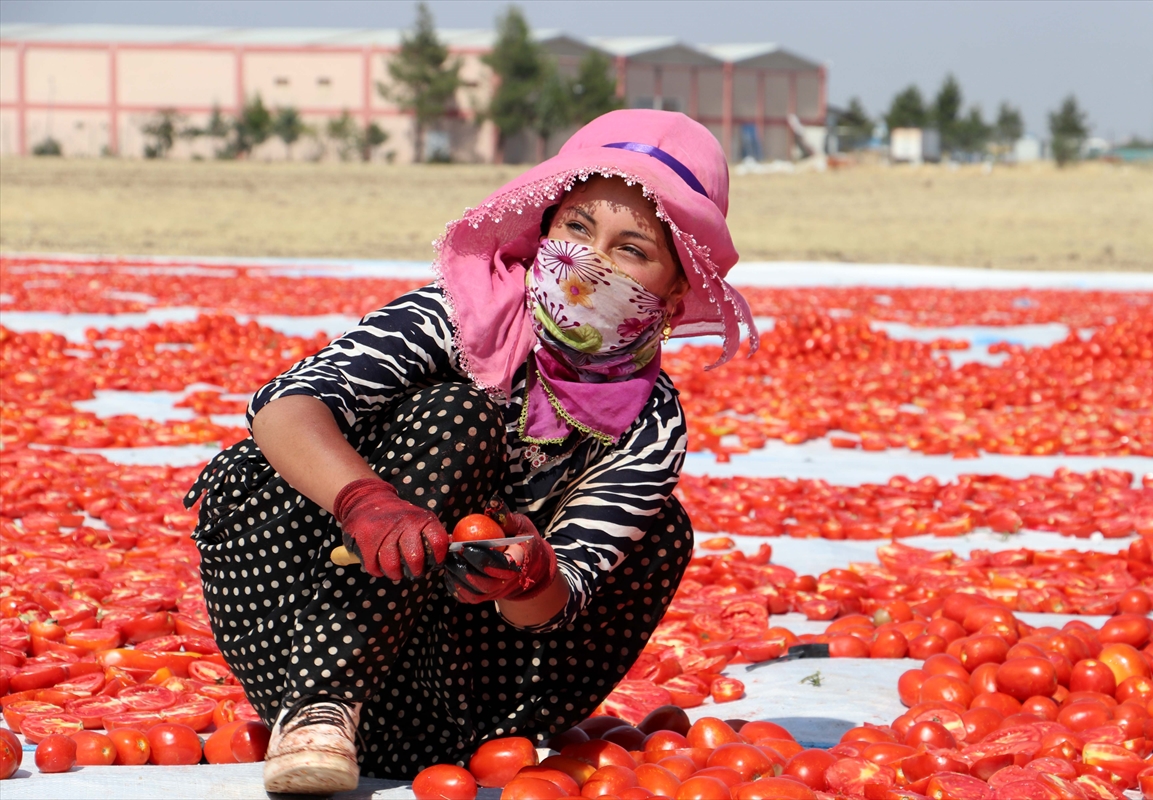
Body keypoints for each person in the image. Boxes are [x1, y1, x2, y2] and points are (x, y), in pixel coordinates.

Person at [184, 109, 757, 794]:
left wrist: (529, 576)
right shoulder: (457, 316)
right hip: (297, 595)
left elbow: (557, 599)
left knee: (662, 531)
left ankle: (452, 737)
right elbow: (284, 407)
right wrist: (365, 501)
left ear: (674, 290)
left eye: (631, 249)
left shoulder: (651, 422)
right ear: (545, 229)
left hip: (436, 664)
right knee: (459, 414)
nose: (591, 261)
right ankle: (319, 707)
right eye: (577, 227)